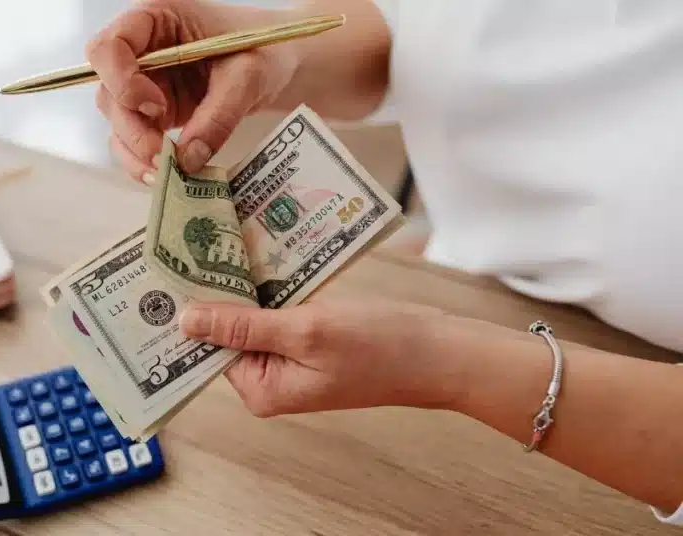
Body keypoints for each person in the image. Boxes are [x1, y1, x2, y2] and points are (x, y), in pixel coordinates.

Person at [85, 0, 683, 526]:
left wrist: (438, 364)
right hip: (460, 298)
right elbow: (410, 25)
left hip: (612, 441)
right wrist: (276, 47)